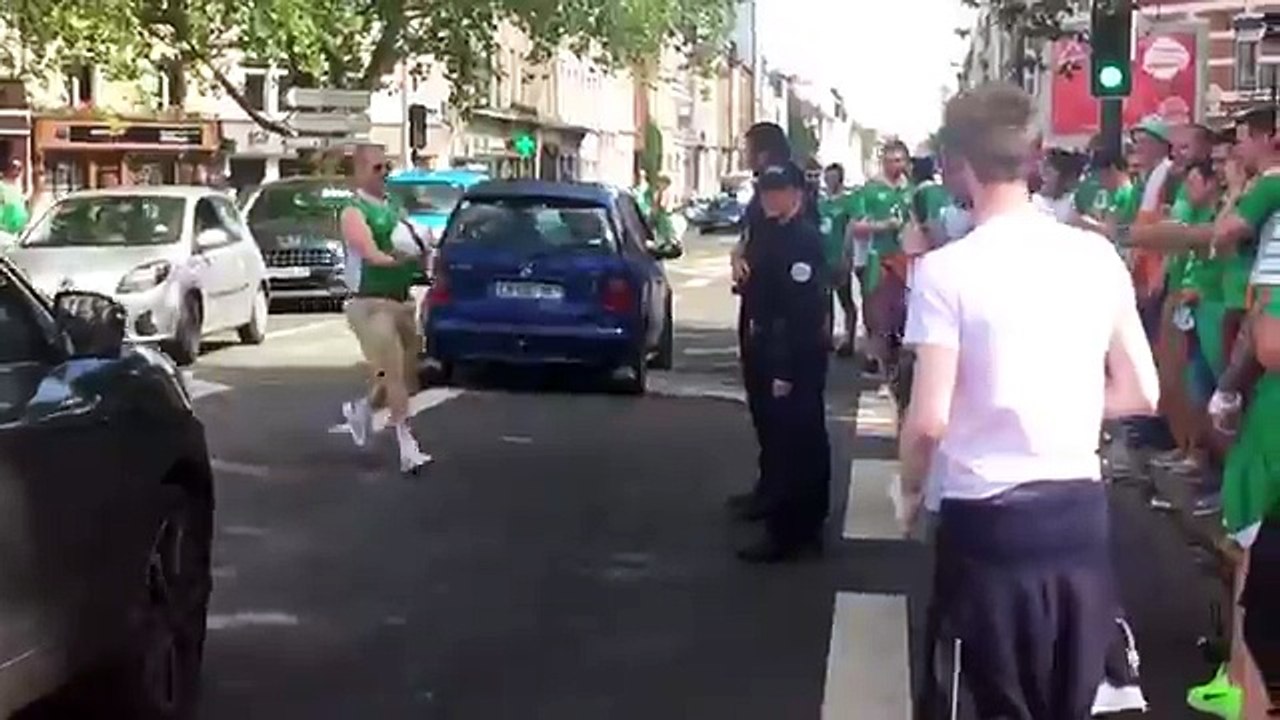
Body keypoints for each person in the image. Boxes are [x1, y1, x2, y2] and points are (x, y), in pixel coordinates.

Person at [900, 82, 1159, 718]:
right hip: (1077, 518)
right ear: (1036, 154)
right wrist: (1060, 406)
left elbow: (928, 419)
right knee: (1076, 697)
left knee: (987, 699)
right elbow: (1142, 391)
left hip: (985, 523)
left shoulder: (944, 271)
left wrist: (908, 496)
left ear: (956, 164)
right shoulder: (1095, 256)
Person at [736, 161, 830, 563]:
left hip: (793, 351)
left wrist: (785, 371)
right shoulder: (771, 233)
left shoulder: (802, 240)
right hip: (769, 343)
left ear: (797, 194)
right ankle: (798, 523)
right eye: (764, 192)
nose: (768, 198)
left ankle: (792, 530)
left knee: (796, 441)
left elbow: (802, 312)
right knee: (785, 439)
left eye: (776, 192)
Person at [727, 122, 816, 522]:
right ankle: (770, 491)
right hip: (759, 307)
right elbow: (752, 241)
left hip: (781, 319)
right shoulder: (763, 193)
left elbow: (795, 268)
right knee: (765, 413)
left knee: (787, 421)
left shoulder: (789, 191)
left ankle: (788, 508)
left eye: (749, 148)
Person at [338, 143, 433, 474]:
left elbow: (415, 240)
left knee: (403, 377)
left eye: (386, 167)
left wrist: (424, 250)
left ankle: (361, 409)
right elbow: (370, 252)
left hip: (401, 301)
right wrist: (400, 259)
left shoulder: (394, 208)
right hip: (369, 303)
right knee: (393, 372)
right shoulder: (353, 212)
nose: (383, 174)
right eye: (376, 168)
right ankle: (408, 447)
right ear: (360, 172)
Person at [851, 140, 913, 378]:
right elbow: (857, 226)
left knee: (901, 312)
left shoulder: (911, 191)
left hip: (904, 257)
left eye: (898, 160)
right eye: (889, 161)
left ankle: (895, 362)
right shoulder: (870, 190)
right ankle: (875, 358)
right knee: (877, 311)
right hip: (877, 256)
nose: (894, 165)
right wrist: (883, 226)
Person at [819, 163, 860, 356]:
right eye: (827, 178)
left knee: (845, 299)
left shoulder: (848, 202)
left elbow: (851, 230)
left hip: (839, 256)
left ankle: (848, 338)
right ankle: (825, 337)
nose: (830, 181)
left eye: (833, 177)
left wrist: (847, 255)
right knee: (823, 299)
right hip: (822, 258)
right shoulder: (821, 204)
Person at [0, 158, 28, 234]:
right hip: (6, 229)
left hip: (21, 228)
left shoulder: (18, 185)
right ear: (8, 169)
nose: (18, 171)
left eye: (20, 169)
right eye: (15, 168)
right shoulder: (2, 185)